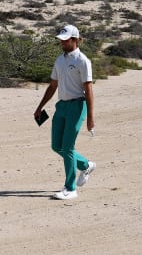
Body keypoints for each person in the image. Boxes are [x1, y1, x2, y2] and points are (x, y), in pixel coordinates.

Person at [34, 24, 96, 200]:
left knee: (68, 147)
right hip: (61, 106)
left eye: (66, 40)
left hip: (77, 106)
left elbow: (89, 90)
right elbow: (53, 86)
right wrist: (40, 107)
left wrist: (90, 117)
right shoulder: (59, 60)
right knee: (57, 146)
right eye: (61, 40)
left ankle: (70, 188)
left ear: (75, 40)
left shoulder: (83, 61)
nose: (62, 43)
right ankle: (85, 165)